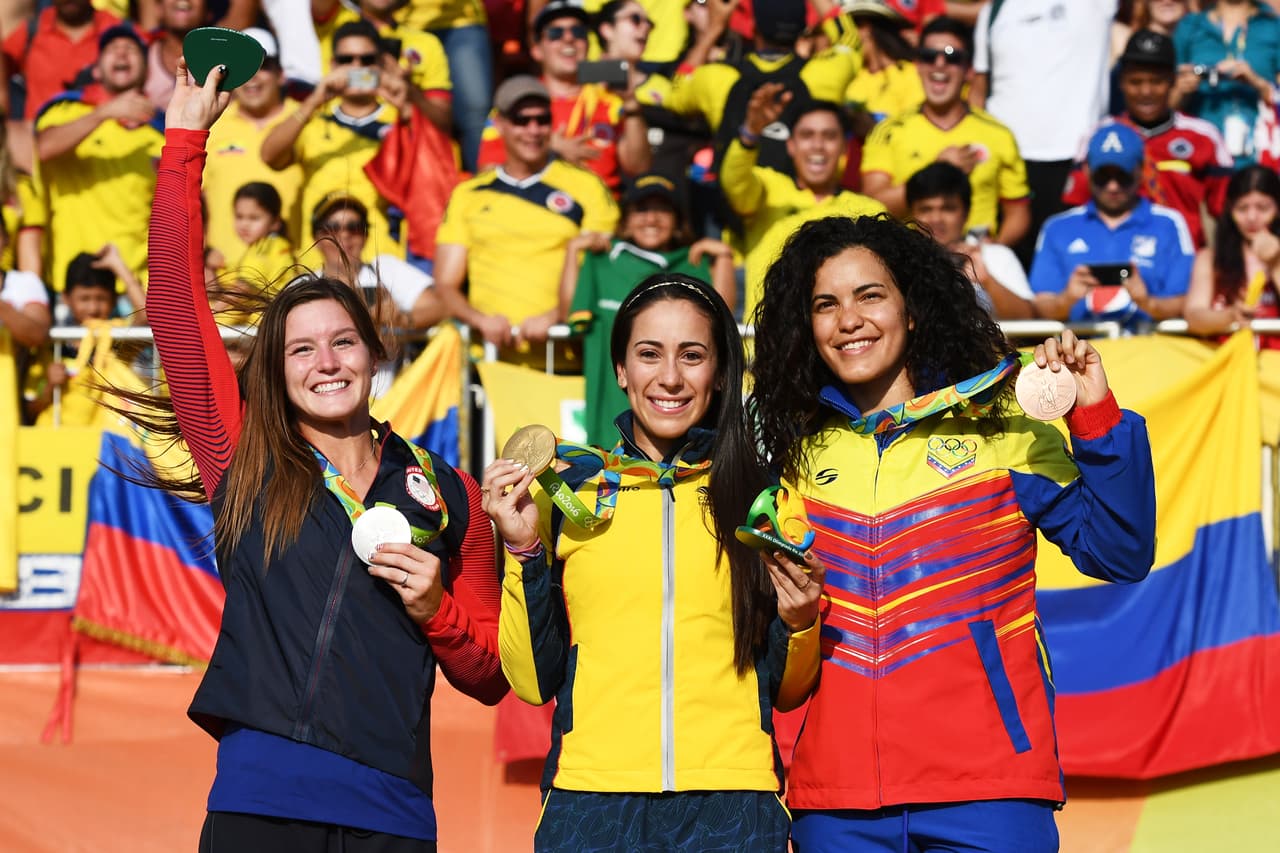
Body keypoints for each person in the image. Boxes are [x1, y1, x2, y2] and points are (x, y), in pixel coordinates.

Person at [148, 60, 507, 851]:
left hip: (393, 814)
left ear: (375, 354)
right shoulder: (243, 459)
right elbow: (174, 305)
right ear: (276, 372)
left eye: (344, 341)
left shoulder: (451, 494)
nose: (327, 362)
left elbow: (488, 676)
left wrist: (434, 608)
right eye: (301, 350)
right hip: (260, 806)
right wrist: (184, 143)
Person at [750, 214, 1156, 852]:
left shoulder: (1003, 430)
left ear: (913, 311)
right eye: (825, 304)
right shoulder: (797, 459)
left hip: (990, 786)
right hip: (839, 799)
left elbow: (1119, 551)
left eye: (870, 295)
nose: (847, 319)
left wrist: (1096, 416)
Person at [483, 272, 822, 852]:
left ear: (718, 375)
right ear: (620, 370)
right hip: (589, 797)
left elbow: (788, 692)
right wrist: (522, 551)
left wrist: (801, 623)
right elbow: (531, 681)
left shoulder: (765, 498)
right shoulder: (565, 497)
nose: (670, 377)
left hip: (733, 798)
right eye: (649, 354)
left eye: (692, 355)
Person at [435, 75, 617, 361]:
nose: (533, 130)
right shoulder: (467, 194)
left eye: (542, 120)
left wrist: (557, 315)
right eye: (522, 120)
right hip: (491, 362)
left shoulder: (588, 186)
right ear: (500, 124)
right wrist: (480, 320)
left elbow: (604, 273)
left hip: (566, 355)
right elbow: (446, 284)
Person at [562, 173, 734, 446]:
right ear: (626, 218)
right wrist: (574, 252)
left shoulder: (691, 263)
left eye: (662, 210)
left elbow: (721, 321)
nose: (652, 219)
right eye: (642, 210)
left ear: (678, 220)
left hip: (687, 435)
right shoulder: (603, 262)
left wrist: (723, 258)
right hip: (610, 431)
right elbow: (570, 312)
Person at [261, 19, 430, 261]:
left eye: (367, 60)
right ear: (332, 65)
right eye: (346, 60)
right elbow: (269, 156)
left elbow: (431, 175)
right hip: (318, 263)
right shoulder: (313, 120)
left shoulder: (400, 119)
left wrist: (406, 108)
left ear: (381, 64)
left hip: (382, 262)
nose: (356, 67)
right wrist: (315, 99)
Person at [862, 16, 1030, 249]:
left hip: (976, 265)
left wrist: (992, 251)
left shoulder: (998, 134)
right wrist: (934, 169)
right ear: (918, 65)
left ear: (969, 71)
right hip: (910, 261)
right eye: (929, 56)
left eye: (952, 57)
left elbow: (1018, 212)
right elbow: (872, 206)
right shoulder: (889, 131)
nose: (939, 64)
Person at [972, 0, 1117, 269]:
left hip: (1074, 160)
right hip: (1007, 164)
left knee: (1073, 272)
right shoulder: (993, 11)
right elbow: (979, 88)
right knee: (1005, 271)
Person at [721, 89, 886, 316]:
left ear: (844, 148)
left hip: (840, 339)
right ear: (791, 145)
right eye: (807, 135)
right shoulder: (768, 190)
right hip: (766, 345)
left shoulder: (869, 210)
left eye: (829, 136)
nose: (818, 146)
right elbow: (734, 182)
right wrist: (750, 134)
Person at [1066, 29, 1234, 249]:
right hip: (1113, 260)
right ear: (1121, 83)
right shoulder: (1098, 136)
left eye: (1156, 82)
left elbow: (1229, 212)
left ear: (1173, 81)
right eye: (1135, 82)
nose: (1146, 91)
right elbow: (1076, 211)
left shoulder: (1204, 136)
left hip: (1184, 261)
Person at [35, 23, 163, 293]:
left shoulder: (162, 132)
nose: (122, 54)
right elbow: (43, 149)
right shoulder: (66, 111)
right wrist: (104, 112)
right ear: (95, 69)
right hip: (72, 290)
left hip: (136, 291)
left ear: (147, 70)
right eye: (112, 49)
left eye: (131, 49)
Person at [1031, 123, 1195, 331]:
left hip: (1149, 347)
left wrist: (1148, 302)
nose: (1113, 186)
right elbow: (1040, 305)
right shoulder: (1057, 228)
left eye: (1122, 176)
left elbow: (1184, 302)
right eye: (1103, 176)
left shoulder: (1169, 224)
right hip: (1077, 350)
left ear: (1140, 170)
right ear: (1086, 170)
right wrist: (1067, 299)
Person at [477, 0, 652, 192]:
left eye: (578, 32)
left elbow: (639, 168)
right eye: (555, 33)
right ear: (536, 50)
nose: (568, 39)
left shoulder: (612, 101)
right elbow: (487, 173)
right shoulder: (516, 106)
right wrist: (544, 149)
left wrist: (632, 106)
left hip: (601, 214)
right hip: (535, 212)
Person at [203, 27, 304, 262]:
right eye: (244, 68)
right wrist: (201, 254)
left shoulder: (303, 120)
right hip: (225, 276)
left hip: (291, 274)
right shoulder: (212, 124)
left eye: (263, 67)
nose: (252, 77)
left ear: (281, 74)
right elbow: (190, 204)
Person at [906, 161, 1035, 319]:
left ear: (966, 213)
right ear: (912, 214)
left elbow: (1027, 318)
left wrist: (986, 280)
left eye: (948, 209)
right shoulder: (900, 260)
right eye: (926, 209)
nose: (936, 219)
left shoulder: (995, 256)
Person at [311, 192, 444, 333]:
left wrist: (400, 319)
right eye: (332, 228)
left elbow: (439, 307)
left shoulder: (384, 268)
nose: (344, 235)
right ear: (316, 238)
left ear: (366, 235)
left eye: (354, 227)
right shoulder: (306, 284)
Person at [1173, 0, 1280, 167]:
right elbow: (1168, 102)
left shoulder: (1272, 26)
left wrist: (1258, 83)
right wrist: (1183, 88)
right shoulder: (1190, 25)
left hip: (1260, 154)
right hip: (1200, 152)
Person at [1185, 164, 1280, 349]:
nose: (1252, 217)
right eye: (1242, 208)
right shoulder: (1210, 258)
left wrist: (1275, 263)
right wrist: (1229, 315)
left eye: (1262, 208)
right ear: (1229, 209)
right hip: (1226, 361)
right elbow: (1194, 315)